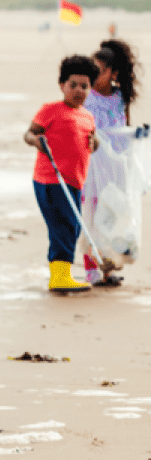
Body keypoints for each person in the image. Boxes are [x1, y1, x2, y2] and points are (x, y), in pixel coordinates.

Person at [23, 56, 101, 293]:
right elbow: (28, 134)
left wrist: (94, 141)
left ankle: (61, 273)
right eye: (73, 84)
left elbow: (92, 141)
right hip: (51, 180)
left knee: (72, 227)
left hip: (75, 180)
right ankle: (59, 277)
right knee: (63, 227)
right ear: (62, 85)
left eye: (84, 86)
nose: (79, 90)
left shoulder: (87, 117)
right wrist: (37, 141)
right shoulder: (50, 110)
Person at [81, 38, 140, 286]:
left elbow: (124, 129)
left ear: (114, 73)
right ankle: (92, 271)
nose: (95, 76)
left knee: (113, 215)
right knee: (92, 216)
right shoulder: (86, 97)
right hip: (93, 167)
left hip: (116, 167)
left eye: (101, 71)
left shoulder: (120, 98)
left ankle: (108, 268)